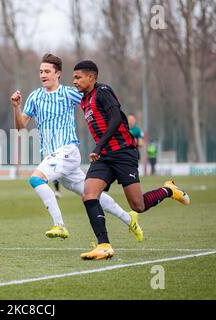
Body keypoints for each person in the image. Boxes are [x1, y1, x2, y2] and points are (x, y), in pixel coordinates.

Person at [10, 53, 143, 241]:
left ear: (58, 74)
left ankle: (59, 225)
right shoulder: (34, 96)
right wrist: (16, 107)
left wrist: (111, 120)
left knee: (36, 179)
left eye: (47, 71)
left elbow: (93, 96)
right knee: (90, 193)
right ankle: (129, 218)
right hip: (51, 155)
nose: (43, 75)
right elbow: (20, 127)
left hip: (67, 150)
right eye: (41, 71)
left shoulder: (69, 93)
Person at [73, 60, 190, 260]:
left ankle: (169, 190)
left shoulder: (103, 91)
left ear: (91, 77)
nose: (74, 81)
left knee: (138, 206)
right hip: (103, 157)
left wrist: (99, 145)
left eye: (78, 77)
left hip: (123, 153)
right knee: (89, 195)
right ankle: (104, 245)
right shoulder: (84, 99)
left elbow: (116, 118)